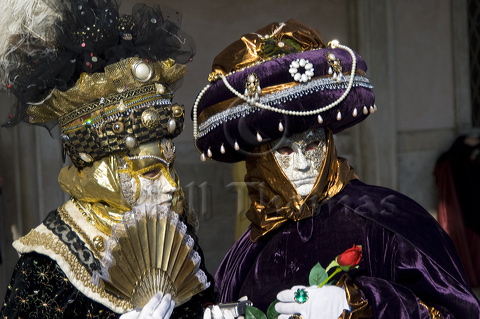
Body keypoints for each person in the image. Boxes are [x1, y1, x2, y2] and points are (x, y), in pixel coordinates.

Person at [192, 20, 480, 318]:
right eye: (285, 150)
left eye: (313, 146)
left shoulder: (388, 221)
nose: (303, 164)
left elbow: (458, 312)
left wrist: (362, 303)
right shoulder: (245, 253)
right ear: (261, 160)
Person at [0, 0, 215, 318]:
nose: (172, 187)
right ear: (104, 173)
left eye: (170, 168)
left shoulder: (176, 237)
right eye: (152, 173)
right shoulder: (46, 264)